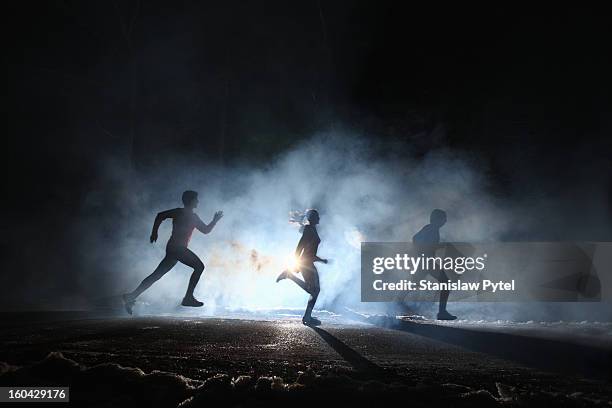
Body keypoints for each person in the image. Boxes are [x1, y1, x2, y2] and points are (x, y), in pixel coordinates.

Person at [122, 190, 223, 314]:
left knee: (156, 275)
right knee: (199, 266)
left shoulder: (186, 215)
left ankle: (131, 296)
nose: (198, 201)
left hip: (173, 248)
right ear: (191, 201)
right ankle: (188, 298)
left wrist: (215, 220)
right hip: (178, 248)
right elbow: (206, 230)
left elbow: (205, 230)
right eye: (196, 199)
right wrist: (154, 232)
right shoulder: (185, 214)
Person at [276, 209, 328, 326]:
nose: (319, 218)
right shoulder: (309, 230)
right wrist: (296, 263)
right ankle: (289, 275)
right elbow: (300, 247)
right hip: (305, 263)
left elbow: (310, 253)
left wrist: (321, 260)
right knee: (313, 290)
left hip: (309, 262)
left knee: (315, 290)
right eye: (317, 216)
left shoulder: (312, 229)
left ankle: (307, 317)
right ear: (313, 218)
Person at [413, 209, 457, 320]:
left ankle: (396, 303)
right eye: (443, 218)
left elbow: (416, 239)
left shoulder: (431, 228)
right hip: (427, 261)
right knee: (445, 282)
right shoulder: (431, 229)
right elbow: (416, 239)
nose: (445, 221)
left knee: (413, 283)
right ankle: (442, 312)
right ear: (437, 219)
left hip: (426, 260)